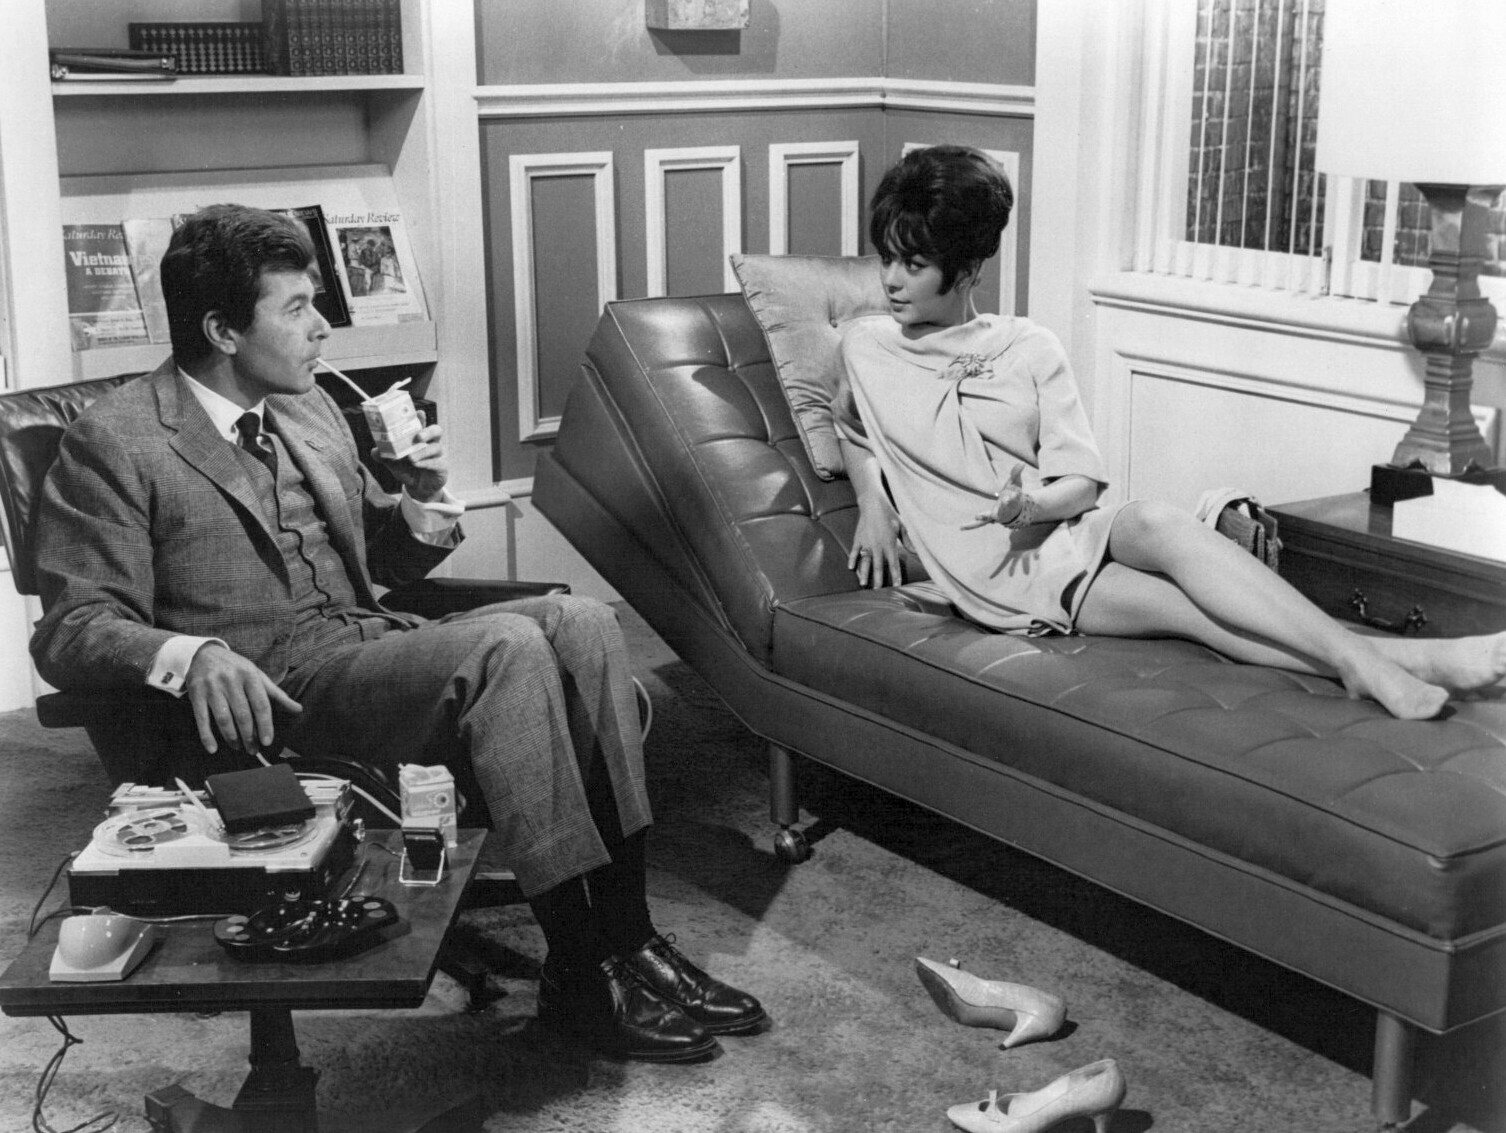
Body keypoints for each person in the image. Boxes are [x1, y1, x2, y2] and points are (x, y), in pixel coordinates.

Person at [30, 204, 766, 1062]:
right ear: (223, 331)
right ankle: (578, 968)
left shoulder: (305, 408)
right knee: (509, 647)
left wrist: (420, 498)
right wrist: (188, 654)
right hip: (277, 697)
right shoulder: (116, 441)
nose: (322, 327)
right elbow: (74, 627)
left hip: (369, 647)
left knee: (584, 621)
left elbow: (377, 552)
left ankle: (631, 941)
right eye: (297, 308)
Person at [834, 146, 1506, 721]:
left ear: (966, 267)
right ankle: (1395, 660)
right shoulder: (866, 347)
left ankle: (1371, 662)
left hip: (1060, 524)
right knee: (1190, 613)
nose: (891, 280)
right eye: (887, 259)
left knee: (1157, 519)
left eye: (913, 265)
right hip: (1003, 576)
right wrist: (872, 503)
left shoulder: (1029, 346)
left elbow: (1081, 485)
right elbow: (850, 423)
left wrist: (1032, 504)